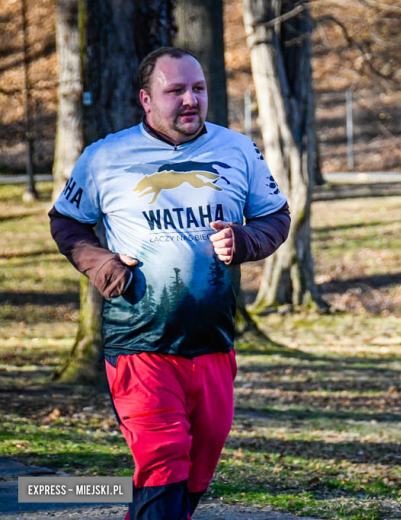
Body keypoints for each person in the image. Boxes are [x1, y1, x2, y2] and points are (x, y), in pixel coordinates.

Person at [49, 47, 290, 520]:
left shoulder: (237, 149)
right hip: (141, 342)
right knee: (163, 461)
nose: (190, 100)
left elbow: (274, 216)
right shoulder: (106, 157)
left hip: (213, 342)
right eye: (175, 90)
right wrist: (100, 264)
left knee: (196, 470)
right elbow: (66, 222)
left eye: (197, 89)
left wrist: (245, 241)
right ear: (146, 98)